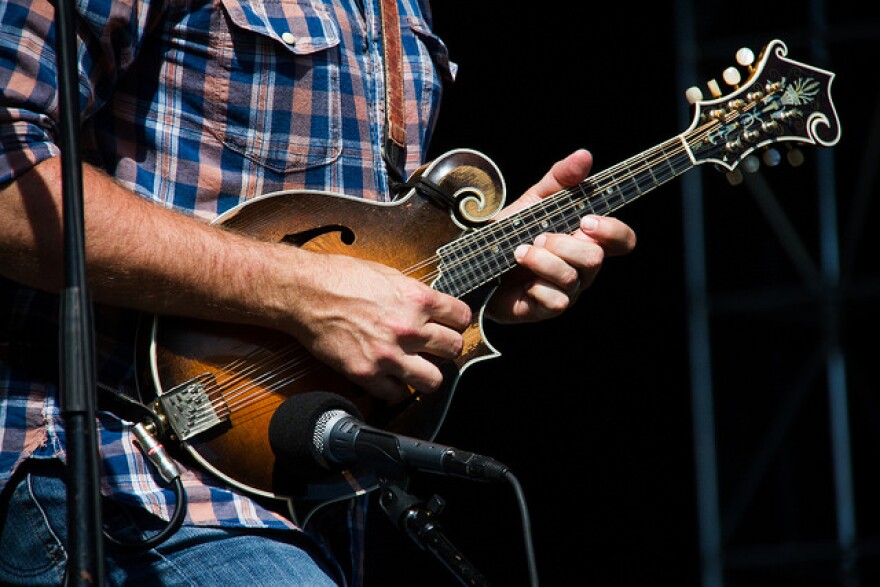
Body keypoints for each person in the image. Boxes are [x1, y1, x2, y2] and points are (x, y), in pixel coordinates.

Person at [0, 0, 636, 585]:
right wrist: (303, 293)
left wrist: (483, 267)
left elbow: (363, 246)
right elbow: (9, 183)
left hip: (322, 507)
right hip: (121, 474)